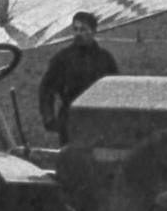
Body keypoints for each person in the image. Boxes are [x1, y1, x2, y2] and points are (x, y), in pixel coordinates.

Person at [38, 11, 120, 144]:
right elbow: (46, 90)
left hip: (98, 119)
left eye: (83, 29)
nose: (78, 33)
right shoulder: (62, 58)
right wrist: (49, 117)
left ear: (93, 31)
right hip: (70, 118)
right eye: (75, 29)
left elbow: (116, 90)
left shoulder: (105, 58)